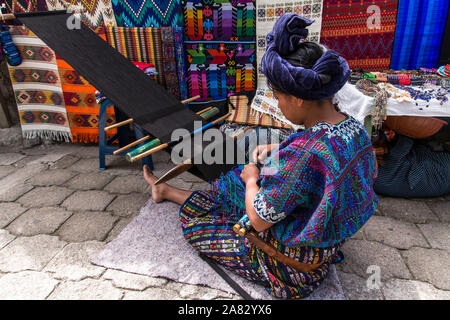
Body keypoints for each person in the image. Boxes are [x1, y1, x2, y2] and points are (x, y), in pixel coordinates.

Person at [143, 13, 378, 299]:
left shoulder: (301, 155)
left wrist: (254, 180)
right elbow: (326, 159)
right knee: (232, 183)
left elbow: (258, 220)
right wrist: (278, 151)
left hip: (293, 267)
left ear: (299, 98)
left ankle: (171, 193)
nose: (277, 104)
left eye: (278, 96)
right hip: (322, 235)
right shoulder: (355, 129)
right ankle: (164, 190)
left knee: (199, 225)